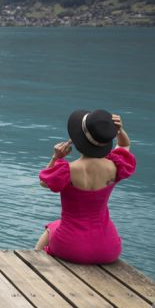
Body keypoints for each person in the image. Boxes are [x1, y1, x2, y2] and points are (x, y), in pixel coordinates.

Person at [35, 109, 136, 264]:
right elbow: (124, 145)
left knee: (52, 227)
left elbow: (44, 182)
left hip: (70, 246)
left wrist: (56, 157)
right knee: (57, 226)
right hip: (108, 248)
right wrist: (119, 130)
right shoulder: (116, 165)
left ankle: (33, 259)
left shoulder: (68, 170)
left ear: (78, 140)